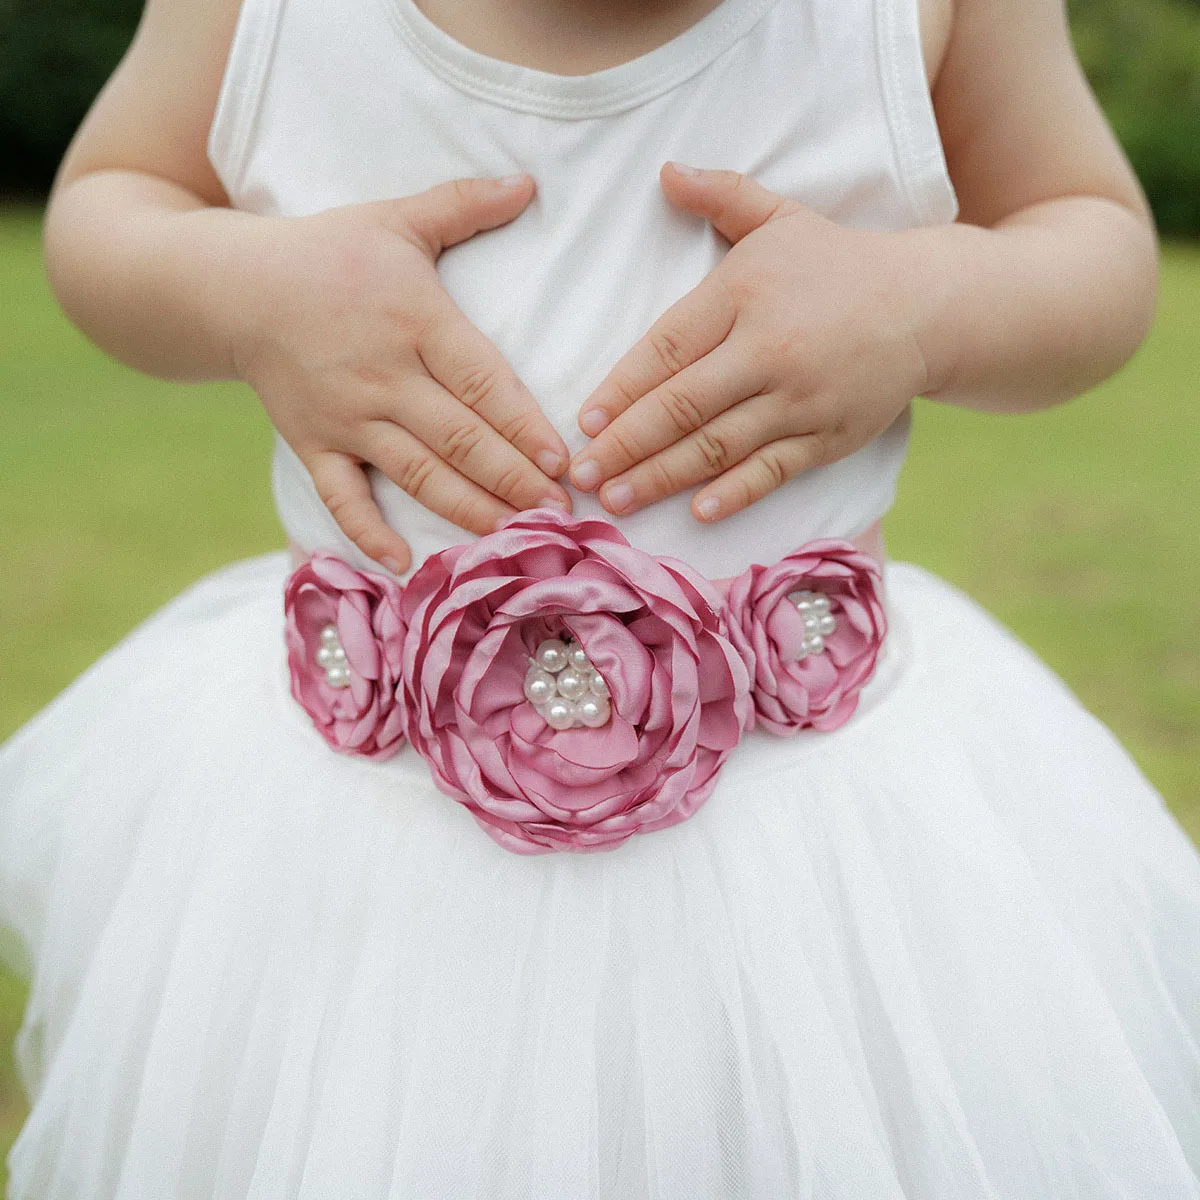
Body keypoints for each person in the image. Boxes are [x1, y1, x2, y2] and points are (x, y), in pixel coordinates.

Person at [1, 0, 1198, 1193]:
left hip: (811, 884)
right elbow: (110, 200)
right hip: (355, 875)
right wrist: (249, 292)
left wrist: (922, 306)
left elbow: (1091, 236)